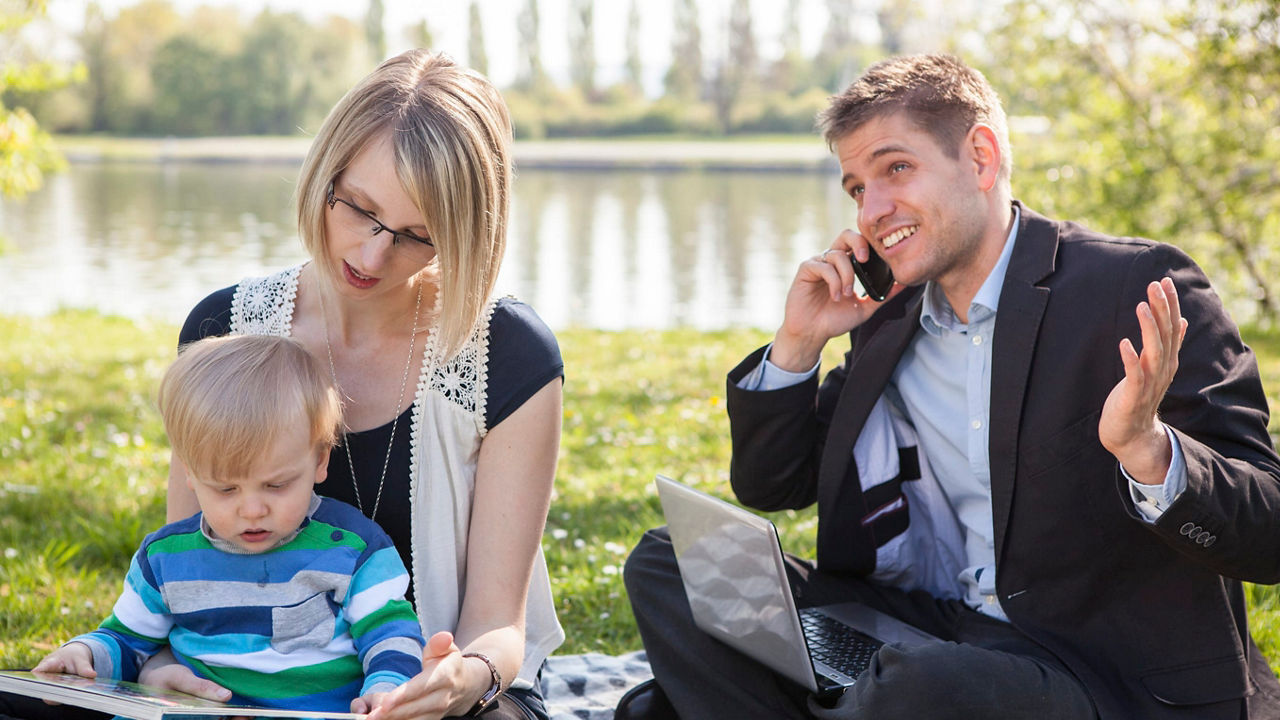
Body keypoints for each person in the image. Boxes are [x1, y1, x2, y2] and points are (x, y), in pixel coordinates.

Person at [621, 53, 1280, 720]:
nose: (873, 211)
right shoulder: (890, 317)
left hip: (1093, 672)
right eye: (855, 187)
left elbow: (1270, 526)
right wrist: (799, 345)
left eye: (895, 169)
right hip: (923, 627)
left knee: (921, 687)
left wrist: (1148, 449)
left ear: (981, 158)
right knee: (676, 561)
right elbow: (773, 485)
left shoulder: (1134, 289)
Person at [0, 50, 562, 720]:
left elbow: (499, 627)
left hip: (435, 702)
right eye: (359, 208)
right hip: (244, 692)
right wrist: (162, 666)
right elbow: (187, 568)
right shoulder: (223, 330)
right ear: (325, 173)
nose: (372, 255)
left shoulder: (509, 355)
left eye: (419, 237)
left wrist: (460, 680)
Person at [33, 334, 425, 714]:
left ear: (320, 460)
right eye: (225, 489)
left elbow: (391, 633)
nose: (252, 509)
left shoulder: (353, 549)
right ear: (190, 473)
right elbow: (127, 641)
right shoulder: (166, 559)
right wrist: (82, 654)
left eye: (276, 485)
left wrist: (386, 688)